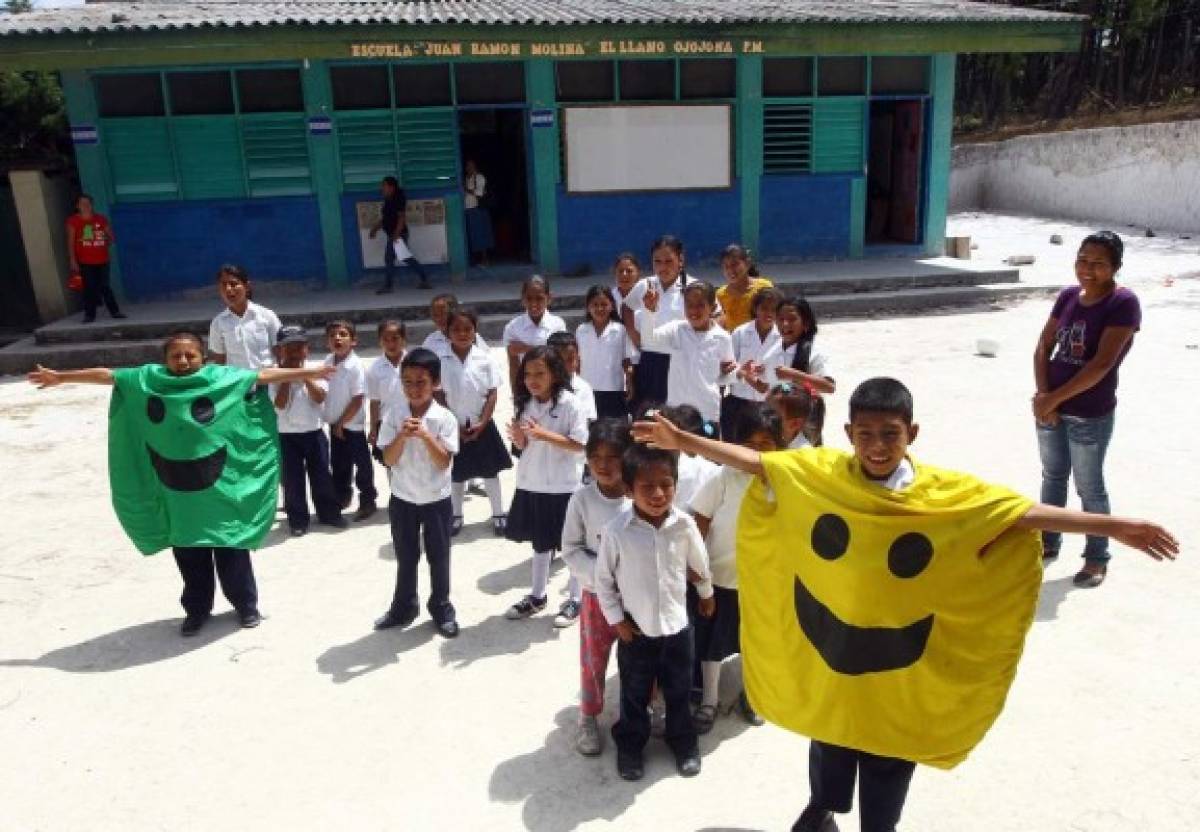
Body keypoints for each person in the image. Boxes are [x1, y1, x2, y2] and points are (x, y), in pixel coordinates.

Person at [631, 377, 1177, 832]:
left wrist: (1115, 527)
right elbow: (758, 463)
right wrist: (687, 441)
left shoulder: (943, 495)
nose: (876, 445)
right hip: (837, 653)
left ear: (911, 434)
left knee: (891, 752)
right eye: (864, 434)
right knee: (831, 736)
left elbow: (1021, 514)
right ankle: (821, 810)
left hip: (899, 665)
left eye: (889, 435)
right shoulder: (823, 474)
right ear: (847, 434)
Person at [27, 331, 334, 636]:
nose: (184, 361)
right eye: (176, 356)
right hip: (178, 497)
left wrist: (310, 371)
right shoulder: (149, 380)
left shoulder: (221, 378)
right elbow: (109, 376)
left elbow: (263, 374)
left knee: (231, 548)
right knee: (189, 554)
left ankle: (245, 605)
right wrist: (62, 377)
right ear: (165, 360)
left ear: (203, 357)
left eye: (190, 355)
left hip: (220, 491)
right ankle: (197, 610)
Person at [594, 442, 716, 781]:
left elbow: (699, 562)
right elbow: (603, 581)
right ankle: (631, 745)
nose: (659, 493)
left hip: (678, 627)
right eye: (647, 487)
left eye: (666, 484)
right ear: (629, 490)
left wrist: (706, 593)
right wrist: (617, 621)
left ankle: (683, 742)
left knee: (679, 690)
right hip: (636, 631)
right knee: (634, 693)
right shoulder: (617, 532)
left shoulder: (684, 525)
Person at [1032, 230, 1141, 588]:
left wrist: (1054, 400)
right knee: (1052, 477)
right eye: (1082, 260)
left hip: (1089, 413)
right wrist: (1043, 396)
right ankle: (1048, 541)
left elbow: (1100, 365)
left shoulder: (1123, 303)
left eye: (1098, 264)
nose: (1088, 270)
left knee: (1089, 487)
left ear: (1115, 267)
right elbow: (1043, 346)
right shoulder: (1066, 297)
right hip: (1051, 408)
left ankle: (1096, 557)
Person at [687, 404, 782, 734]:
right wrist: (699, 576)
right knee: (712, 642)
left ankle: (752, 695)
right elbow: (698, 522)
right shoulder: (723, 477)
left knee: (755, 643)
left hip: (762, 584)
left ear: (779, 447)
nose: (755, 453)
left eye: (765, 444)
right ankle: (709, 699)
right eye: (749, 444)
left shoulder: (784, 483)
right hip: (720, 579)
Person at [374, 348, 461, 638]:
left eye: (421, 382)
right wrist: (402, 435)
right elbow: (388, 458)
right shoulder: (394, 414)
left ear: (435, 383)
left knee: (439, 557)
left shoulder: (444, 418)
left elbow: (443, 460)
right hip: (403, 499)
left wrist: (424, 435)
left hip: (436, 499)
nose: (413, 388)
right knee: (406, 556)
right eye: (407, 381)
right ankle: (403, 607)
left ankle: (441, 607)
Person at [560, 419, 633, 754]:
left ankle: (646, 708)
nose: (603, 465)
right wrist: (602, 578)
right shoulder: (582, 500)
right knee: (593, 659)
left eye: (613, 456)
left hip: (636, 598)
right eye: (596, 456)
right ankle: (589, 716)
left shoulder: (638, 498)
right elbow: (571, 548)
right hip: (596, 598)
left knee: (641, 657)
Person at [503, 346, 589, 621]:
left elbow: (579, 445)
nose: (533, 380)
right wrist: (519, 438)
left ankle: (575, 599)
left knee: (571, 546)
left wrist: (543, 434)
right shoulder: (525, 403)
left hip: (563, 487)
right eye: (527, 374)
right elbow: (524, 446)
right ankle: (537, 596)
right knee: (540, 544)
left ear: (555, 374)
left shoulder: (571, 403)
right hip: (533, 483)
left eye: (540, 373)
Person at [440, 306, 511, 536]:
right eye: (456, 329)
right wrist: (452, 424)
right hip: (453, 426)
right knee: (457, 475)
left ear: (475, 330)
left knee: (490, 472)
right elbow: (438, 395)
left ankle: (499, 513)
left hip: (482, 425)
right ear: (447, 331)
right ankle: (456, 514)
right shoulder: (441, 360)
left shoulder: (484, 359)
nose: (462, 334)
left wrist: (483, 421)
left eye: (467, 329)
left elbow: (492, 393)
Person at [271, 325, 347, 536]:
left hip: (314, 432)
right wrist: (287, 375)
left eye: (299, 347)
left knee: (322, 474)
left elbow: (319, 397)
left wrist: (305, 375)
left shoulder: (317, 369)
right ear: (280, 351)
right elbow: (279, 404)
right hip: (287, 435)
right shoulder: (274, 374)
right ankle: (297, 520)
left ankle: (329, 513)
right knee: (292, 480)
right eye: (289, 348)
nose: (295, 352)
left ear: (307, 349)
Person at [636, 279, 736, 428]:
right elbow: (648, 342)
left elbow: (725, 380)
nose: (694, 311)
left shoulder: (723, 338)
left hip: (707, 411)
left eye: (700, 305)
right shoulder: (676, 330)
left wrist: (727, 372)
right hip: (677, 411)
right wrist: (649, 312)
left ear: (713, 307)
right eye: (689, 305)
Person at [622, 236, 692, 415]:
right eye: (657, 261)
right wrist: (633, 333)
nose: (663, 267)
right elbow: (626, 307)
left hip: (679, 358)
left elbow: (718, 316)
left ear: (680, 260)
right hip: (651, 359)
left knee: (677, 411)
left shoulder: (692, 286)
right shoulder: (646, 285)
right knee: (649, 411)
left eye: (669, 261)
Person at [753, 296, 835, 447]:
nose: (785, 324)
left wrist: (794, 375)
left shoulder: (815, 352)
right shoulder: (773, 349)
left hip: (804, 424)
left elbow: (829, 386)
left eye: (792, 319)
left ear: (806, 323)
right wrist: (748, 376)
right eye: (781, 319)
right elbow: (766, 388)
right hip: (776, 424)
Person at [323, 320, 377, 522]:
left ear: (353, 341)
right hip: (335, 424)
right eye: (332, 336)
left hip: (351, 425)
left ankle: (368, 499)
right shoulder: (329, 361)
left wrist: (341, 423)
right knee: (339, 464)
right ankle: (342, 496)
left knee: (362, 465)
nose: (337, 338)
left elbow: (358, 398)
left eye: (343, 334)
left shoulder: (355, 366)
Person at [723, 287, 783, 439]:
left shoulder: (783, 336)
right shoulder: (740, 333)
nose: (769, 313)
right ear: (755, 308)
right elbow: (727, 365)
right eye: (764, 308)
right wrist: (742, 371)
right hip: (740, 400)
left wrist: (767, 369)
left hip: (769, 403)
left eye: (774, 309)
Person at [576, 284, 637, 422]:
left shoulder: (620, 330)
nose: (599, 308)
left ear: (612, 306)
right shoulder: (582, 330)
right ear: (588, 306)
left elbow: (627, 360)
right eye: (595, 304)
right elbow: (577, 361)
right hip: (588, 389)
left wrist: (630, 383)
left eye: (604, 304)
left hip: (613, 389)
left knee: (614, 431)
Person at [207, 264, 281, 369]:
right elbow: (219, 361)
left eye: (233, 284)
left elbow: (280, 351)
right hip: (239, 382)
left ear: (246, 286)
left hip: (266, 380)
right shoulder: (218, 323)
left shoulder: (266, 316)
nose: (228, 289)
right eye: (224, 285)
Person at [66, 193, 124, 323]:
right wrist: (73, 260)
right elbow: (70, 242)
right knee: (89, 287)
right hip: (85, 261)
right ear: (77, 206)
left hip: (102, 259)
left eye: (88, 203)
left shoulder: (101, 219)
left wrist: (104, 239)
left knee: (105, 286)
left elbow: (111, 238)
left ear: (92, 205)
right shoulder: (73, 221)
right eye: (82, 204)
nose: (86, 206)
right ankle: (89, 315)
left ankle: (115, 311)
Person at [501, 275, 566, 391]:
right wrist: (516, 394)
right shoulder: (513, 327)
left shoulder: (558, 325)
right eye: (529, 298)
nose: (534, 304)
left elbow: (559, 357)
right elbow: (513, 364)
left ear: (549, 298)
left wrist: (526, 348)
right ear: (522, 299)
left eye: (539, 298)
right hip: (526, 386)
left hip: (551, 385)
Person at [370, 175, 430, 293]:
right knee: (405, 258)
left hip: (398, 234)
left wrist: (396, 235)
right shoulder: (388, 199)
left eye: (384, 185)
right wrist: (375, 229)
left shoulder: (398, 198)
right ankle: (424, 279)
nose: (382, 188)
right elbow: (385, 219)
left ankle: (388, 286)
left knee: (390, 258)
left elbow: (401, 218)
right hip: (394, 234)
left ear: (391, 187)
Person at [366, 319, 407, 456]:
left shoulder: (412, 362)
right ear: (380, 341)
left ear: (403, 339)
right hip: (387, 423)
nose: (391, 344)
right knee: (391, 460)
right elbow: (374, 401)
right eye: (385, 339)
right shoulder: (375, 369)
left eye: (395, 338)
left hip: (411, 419)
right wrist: (373, 427)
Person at [715, 243, 772, 332]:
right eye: (726, 266)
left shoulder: (764, 287)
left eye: (735, 264)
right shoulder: (720, 295)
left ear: (747, 263)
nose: (731, 270)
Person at [548, 330, 598, 423]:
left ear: (578, 358)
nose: (565, 365)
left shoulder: (583, 387)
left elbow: (586, 422)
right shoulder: (542, 383)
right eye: (559, 360)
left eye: (570, 359)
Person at [422, 293, 488, 356]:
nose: (439, 319)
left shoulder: (472, 337)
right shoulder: (431, 341)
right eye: (435, 315)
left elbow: (486, 358)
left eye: (443, 314)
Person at [767, 382, 818, 450]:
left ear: (795, 424)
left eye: (771, 413)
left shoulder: (802, 454)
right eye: (763, 406)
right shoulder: (760, 441)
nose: (762, 414)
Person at [464, 158, 494, 267]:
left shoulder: (479, 177)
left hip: (478, 209)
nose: (468, 168)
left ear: (475, 166)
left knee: (481, 235)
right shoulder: (466, 179)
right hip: (468, 209)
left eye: (471, 165)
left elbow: (480, 193)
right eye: (467, 166)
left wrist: (466, 190)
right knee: (473, 236)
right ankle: (476, 260)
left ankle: (485, 259)